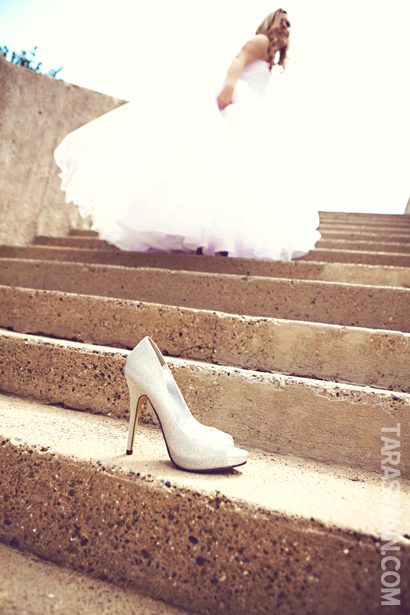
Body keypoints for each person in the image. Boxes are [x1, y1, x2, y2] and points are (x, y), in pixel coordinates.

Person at [54, 8, 321, 260]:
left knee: (232, 173)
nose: (286, 28)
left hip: (249, 109)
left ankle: (220, 240)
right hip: (236, 103)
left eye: (289, 25)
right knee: (221, 166)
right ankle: (212, 240)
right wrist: (228, 90)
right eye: (282, 22)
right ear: (271, 23)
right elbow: (238, 60)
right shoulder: (260, 41)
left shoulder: (271, 59)